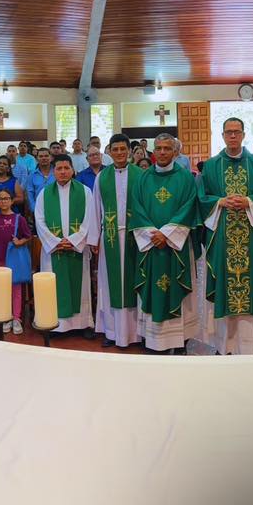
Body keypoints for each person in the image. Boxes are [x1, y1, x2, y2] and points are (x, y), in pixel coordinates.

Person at [198, 118, 253, 354]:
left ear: (244, 134)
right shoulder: (211, 166)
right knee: (224, 283)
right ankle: (225, 344)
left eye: (237, 132)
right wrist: (220, 201)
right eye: (228, 132)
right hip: (223, 234)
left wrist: (248, 201)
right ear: (222, 135)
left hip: (250, 235)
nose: (232, 136)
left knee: (251, 284)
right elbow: (202, 197)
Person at [129, 134, 200, 353]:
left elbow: (189, 207)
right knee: (153, 286)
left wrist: (167, 234)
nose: (162, 152)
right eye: (158, 148)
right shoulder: (142, 178)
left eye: (167, 148)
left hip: (176, 247)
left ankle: (181, 340)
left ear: (175, 152)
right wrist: (154, 235)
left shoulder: (186, 178)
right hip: (151, 245)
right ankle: (154, 340)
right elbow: (137, 208)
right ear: (152, 152)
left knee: (177, 287)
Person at [35, 154, 97, 333]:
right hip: (53, 252)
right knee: (53, 286)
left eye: (66, 168)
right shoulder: (44, 193)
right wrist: (55, 242)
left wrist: (73, 240)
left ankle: (83, 324)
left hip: (77, 250)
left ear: (73, 170)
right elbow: (39, 221)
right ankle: (54, 325)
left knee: (81, 286)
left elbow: (90, 218)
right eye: (59, 169)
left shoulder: (85, 191)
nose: (63, 172)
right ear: (53, 171)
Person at [92, 134, 142, 348]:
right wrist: (95, 239)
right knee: (108, 284)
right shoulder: (101, 177)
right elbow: (95, 209)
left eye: (123, 149)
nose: (120, 153)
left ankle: (136, 333)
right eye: (115, 149)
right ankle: (111, 331)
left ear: (130, 151)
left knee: (135, 284)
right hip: (110, 237)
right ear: (109, 151)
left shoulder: (141, 175)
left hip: (135, 238)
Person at [0, 188, 31, 334]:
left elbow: (27, 236)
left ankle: (17, 318)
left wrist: (20, 242)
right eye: (0, 199)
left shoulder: (19, 218)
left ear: (12, 200)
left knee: (16, 290)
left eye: (6, 198)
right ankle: (6, 317)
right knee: (4, 290)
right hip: (1, 260)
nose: (3, 201)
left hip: (16, 261)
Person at [25, 147, 56, 216]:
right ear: (37, 159)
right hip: (38, 210)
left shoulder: (57, 172)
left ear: (51, 158)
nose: (43, 158)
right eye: (41, 156)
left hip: (56, 209)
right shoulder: (32, 175)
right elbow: (30, 194)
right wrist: (34, 209)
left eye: (46, 156)